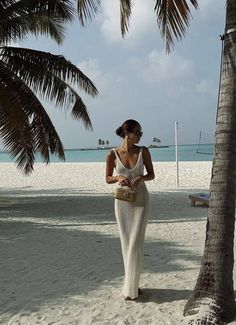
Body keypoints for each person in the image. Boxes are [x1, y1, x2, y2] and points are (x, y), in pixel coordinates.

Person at [106, 119, 155, 301]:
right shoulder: (112, 154)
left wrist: (141, 178)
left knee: (136, 243)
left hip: (141, 201)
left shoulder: (144, 151)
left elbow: (152, 174)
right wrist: (117, 177)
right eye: (137, 132)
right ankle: (131, 285)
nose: (140, 136)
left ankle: (132, 285)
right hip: (122, 203)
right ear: (127, 132)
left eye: (141, 133)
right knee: (126, 243)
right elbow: (107, 178)